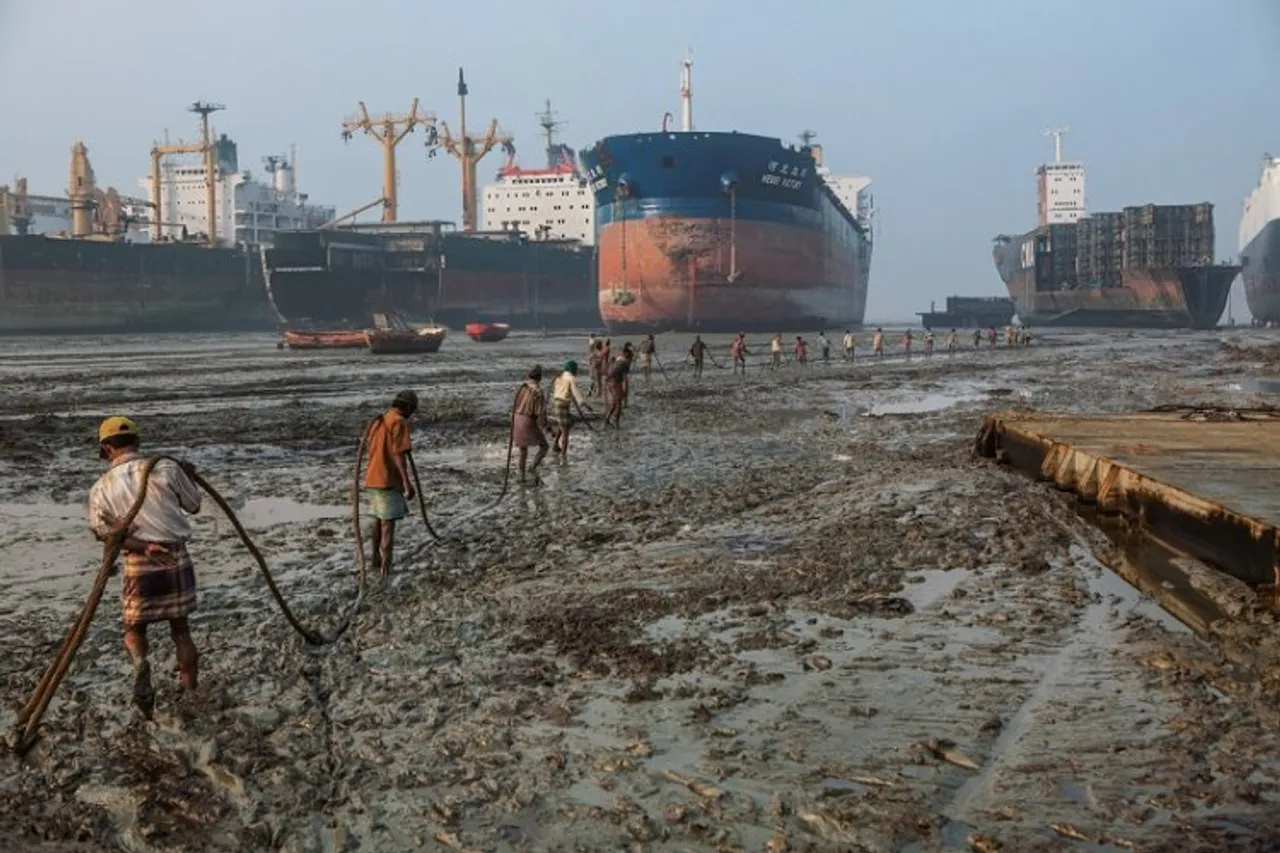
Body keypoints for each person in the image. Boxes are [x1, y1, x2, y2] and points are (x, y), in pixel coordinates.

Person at [88, 416, 202, 716]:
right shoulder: (166, 467)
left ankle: (140, 662)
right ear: (137, 441)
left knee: (134, 628)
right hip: (175, 555)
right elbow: (194, 505)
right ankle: (189, 689)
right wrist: (187, 477)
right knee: (181, 628)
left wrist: (143, 547)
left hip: (139, 562)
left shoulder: (101, 487)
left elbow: (103, 533)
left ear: (107, 449)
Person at [363, 390, 418, 577]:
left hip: (372, 478)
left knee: (378, 520)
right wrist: (406, 482)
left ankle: (375, 560)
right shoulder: (399, 422)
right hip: (387, 480)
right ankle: (386, 568)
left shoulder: (380, 420)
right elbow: (398, 455)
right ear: (408, 407)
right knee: (387, 526)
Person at [513, 366, 550, 484]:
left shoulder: (522, 387)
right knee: (544, 446)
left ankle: (521, 476)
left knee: (523, 450)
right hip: (528, 420)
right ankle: (532, 467)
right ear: (540, 377)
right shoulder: (538, 391)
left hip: (517, 418)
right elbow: (541, 414)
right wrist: (547, 427)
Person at [552, 360, 589, 459]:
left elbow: (560, 391)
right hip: (563, 405)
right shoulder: (571, 378)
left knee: (566, 423)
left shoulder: (560, 377)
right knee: (565, 430)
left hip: (556, 403)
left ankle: (555, 444)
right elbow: (576, 393)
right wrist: (584, 404)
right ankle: (563, 454)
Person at [604, 346, 634, 427]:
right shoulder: (625, 363)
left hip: (609, 382)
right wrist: (626, 391)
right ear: (627, 354)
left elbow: (612, 370)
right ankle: (616, 423)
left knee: (614, 404)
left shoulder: (618, 359)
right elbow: (625, 379)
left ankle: (607, 419)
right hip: (616, 383)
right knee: (619, 405)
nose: (631, 359)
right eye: (631, 356)